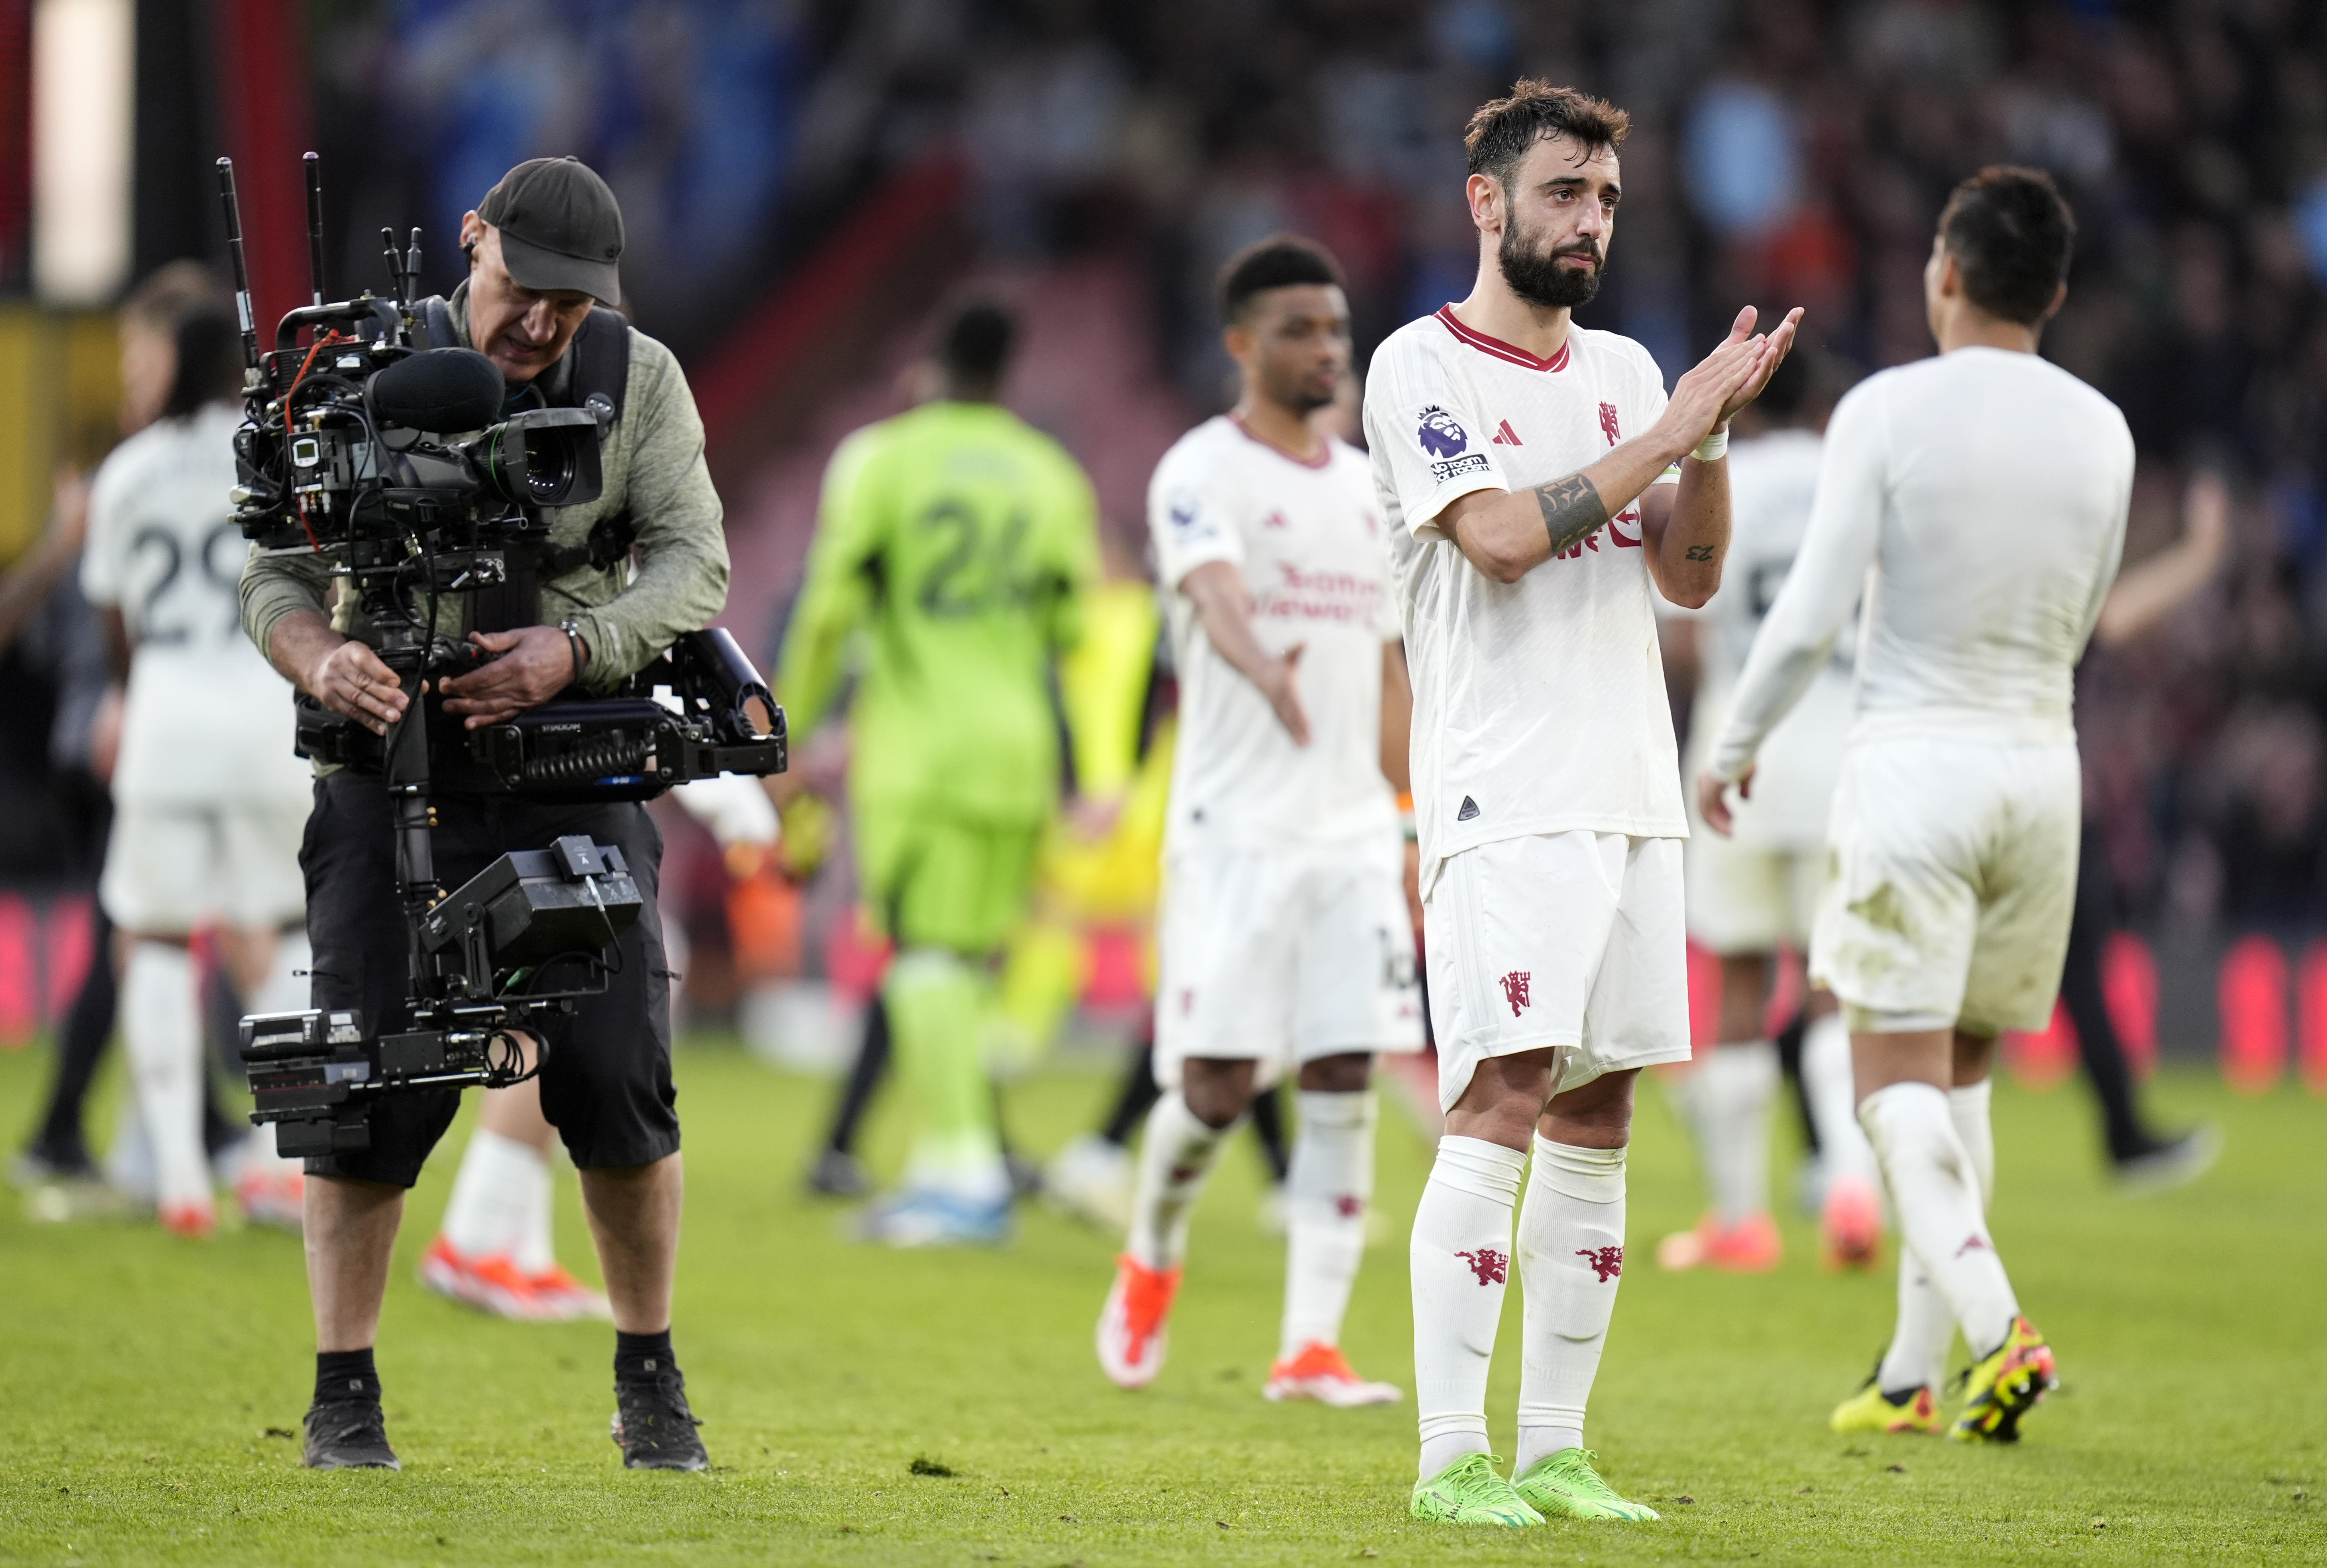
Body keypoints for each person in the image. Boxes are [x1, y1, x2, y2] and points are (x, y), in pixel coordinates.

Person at [241, 157, 729, 1471]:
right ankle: (343, 1392)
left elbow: (696, 556)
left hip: (570, 766)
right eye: (523, 291)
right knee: (356, 1092)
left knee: (622, 1086)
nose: (541, 325)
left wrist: (577, 647)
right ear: (473, 241)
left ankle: (650, 1377)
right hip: (384, 767)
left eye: (571, 307)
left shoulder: (639, 378)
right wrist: (314, 655)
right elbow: (274, 566)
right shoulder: (349, 365)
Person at [1367, 80, 1798, 1527]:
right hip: (1504, 785)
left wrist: (1712, 442)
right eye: (1561, 191)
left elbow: (1681, 576)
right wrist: (1666, 427)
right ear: (1485, 203)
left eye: (1604, 197)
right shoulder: (1419, 368)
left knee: (1600, 1102)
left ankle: (1552, 1443)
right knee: (1503, 1087)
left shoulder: (1624, 366)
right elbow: (1494, 537)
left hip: (1628, 782)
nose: (1588, 220)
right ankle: (1447, 1456)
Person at [1700, 167, 2127, 1444]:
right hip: (2039, 770)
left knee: (1885, 1072)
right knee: (1962, 1076)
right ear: (2052, 289)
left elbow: (1811, 611)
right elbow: (2088, 616)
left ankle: (1996, 1326)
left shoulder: (1885, 410)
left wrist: (1729, 746)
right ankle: (1905, 1375)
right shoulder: (2102, 429)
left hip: (1913, 764)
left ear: (1942, 271)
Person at [1092, 236, 1422, 1406]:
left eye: (1335, 329)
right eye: (1299, 330)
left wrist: (1415, 816)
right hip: (1234, 830)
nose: (1325, 349)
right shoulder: (1199, 469)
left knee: (1341, 1068)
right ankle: (1153, 1248)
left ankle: (1310, 1345)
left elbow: (1390, 673)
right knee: (1220, 1089)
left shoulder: (1368, 489)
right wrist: (1261, 669)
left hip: (1347, 833)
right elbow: (1211, 595)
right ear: (1240, 342)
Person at [776, 299, 1099, 1246]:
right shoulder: (1051, 476)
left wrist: (783, 730)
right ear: (1009, 373)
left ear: (933, 361)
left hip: (922, 747)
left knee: (920, 957)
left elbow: (830, 608)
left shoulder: (882, 459)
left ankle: (964, 1177)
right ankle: (942, 1165)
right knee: (963, 964)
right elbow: (1072, 631)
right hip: (1019, 750)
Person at [81, 271, 316, 1239]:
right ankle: (286, 1161)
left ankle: (178, 1173)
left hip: (169, 721)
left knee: (161, 933)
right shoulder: (275, 456)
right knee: (288, 928)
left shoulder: (128, 470)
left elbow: (114, 615)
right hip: (266, 716)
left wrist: (130, 695)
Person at [1657, 351, 1883, 1274]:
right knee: (1832, 984)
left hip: (1737, 756)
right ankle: (1851, 1187)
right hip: (1845, 756)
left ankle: (1742, 1220)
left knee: (1743, 985)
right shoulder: (1853, 482)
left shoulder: (1719, 479)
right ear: (1826, 407)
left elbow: (1681, 629)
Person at [423, 773, 778, 1321]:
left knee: (552, 995)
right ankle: (476, 1240)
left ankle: (516, 1247)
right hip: (541, 801)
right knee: (562, 992)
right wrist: (722, 790)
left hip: (540, 800)